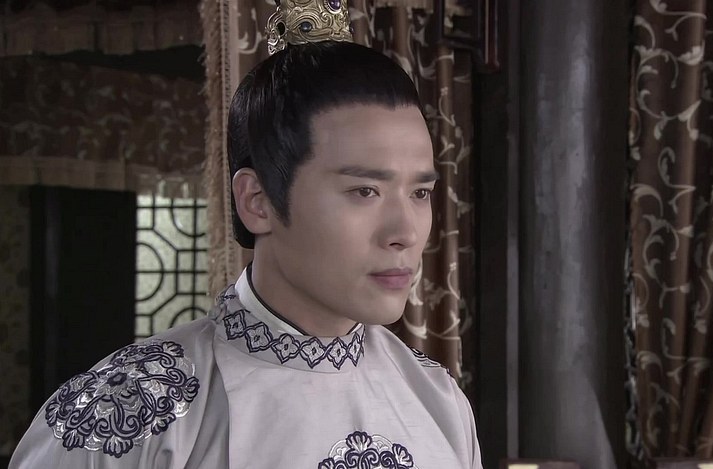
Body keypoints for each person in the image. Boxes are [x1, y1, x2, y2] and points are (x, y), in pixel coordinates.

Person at [9, 1, 482, 467]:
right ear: (257, 200)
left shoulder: (437, 400)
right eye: (364, 191)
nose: (405, 233)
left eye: (420, 193)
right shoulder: (125, 411)